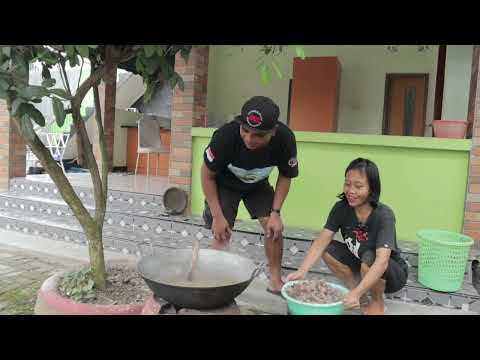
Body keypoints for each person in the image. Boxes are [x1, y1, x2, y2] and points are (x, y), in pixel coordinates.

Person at [201, 96, 299, 294]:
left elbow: (286, 176)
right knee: (222, 232)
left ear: (273, 131)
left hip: (258, 185)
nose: (249, 139)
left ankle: (275, 280)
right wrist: (218, 216)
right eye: (245, 130)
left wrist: (276, 213)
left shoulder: (285, 139)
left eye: (258, 135)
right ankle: (212, 286)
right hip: (225, 184)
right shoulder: (225, 136)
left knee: (274, 229)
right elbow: (206, 175)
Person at [285, 158, 408, 315]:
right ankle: (361, 298)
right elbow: (321, 241)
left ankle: (377, 303)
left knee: (370, 257)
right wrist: (302, 271)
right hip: (361, 262)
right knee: (327, 248)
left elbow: (382, 262)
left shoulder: (384, 215)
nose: (351, 190)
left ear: (372, 189)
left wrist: (355, 292)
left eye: (358, 186)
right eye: (347, 184)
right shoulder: (340, 208)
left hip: (391, 273)